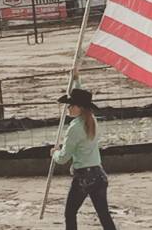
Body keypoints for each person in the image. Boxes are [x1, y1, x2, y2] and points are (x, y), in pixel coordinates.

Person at [50, 87, 117, 230]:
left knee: (70, 213)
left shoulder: (74, 128)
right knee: (104, 215)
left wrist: (54, 153)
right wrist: (76, 77)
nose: (68, 108)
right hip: (99, 175)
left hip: (83, 178)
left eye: (71, 105)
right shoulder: (92, 120)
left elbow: (63, 158)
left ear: (79, 107)